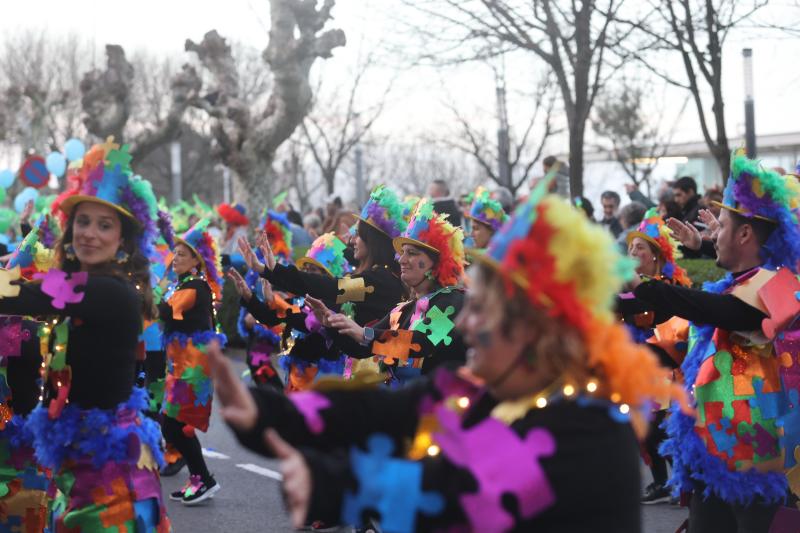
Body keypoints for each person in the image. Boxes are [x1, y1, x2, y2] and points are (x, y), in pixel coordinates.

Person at [209, 176, 685, 532]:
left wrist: (335, 486)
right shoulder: (471, 375)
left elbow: (460, 488)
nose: (471, 325)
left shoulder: (585, 423)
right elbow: (383, 405)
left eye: (490, 311)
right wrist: (264, 412)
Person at [0, 141, 171, 530]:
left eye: (104, 224)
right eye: (82, 221)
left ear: (123, 239)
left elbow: (20, 294)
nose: (89, 233)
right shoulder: (88, 284)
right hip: (82, 459)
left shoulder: (108, 290)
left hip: (112, 471)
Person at [633, 152, 800, 532]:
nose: (713, 232)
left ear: (744, 234)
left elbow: (718, 310)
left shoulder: (777, 289)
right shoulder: (743, 282)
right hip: (711, 460)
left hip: (758, 468)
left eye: (721, 226)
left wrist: (643, 287)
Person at [239, 186, 406, 379]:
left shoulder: (377, 281)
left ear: (372, 242)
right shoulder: (379, 277)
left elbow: (331, 288)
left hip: (374, 379)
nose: (352, 240)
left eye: (359, 235)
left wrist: (272, 270)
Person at [308, 197, 468, 387]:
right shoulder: (403, 310)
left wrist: (365, 334)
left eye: (412, 253)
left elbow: (422, 342)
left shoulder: (454, 301)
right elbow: (361, 348)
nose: (402, 260)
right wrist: (330, 324)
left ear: (436, 263)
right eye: (403, 252)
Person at [619, 209, 692, 504]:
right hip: (636, 368)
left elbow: (635, 305)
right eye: (631, 248)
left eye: (640, 248)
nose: (633, 252)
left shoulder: (666, 287)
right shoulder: (626, 286)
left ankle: (679, 481)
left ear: (655, 255)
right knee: (643, 431)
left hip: (665, 371)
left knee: (661, 430)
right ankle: (662, 482)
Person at [159, 218, 226, 505]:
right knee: (172, 423)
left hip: (193, 368)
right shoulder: (185, 282)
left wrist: (145, 289)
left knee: (177, 424)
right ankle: (199, 478)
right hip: (180, 365)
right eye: (175, 253)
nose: (175, 258)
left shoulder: (196, 286)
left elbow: (167, 309)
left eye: (182, 254)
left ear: (196, 260)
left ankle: (204, 479)